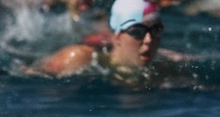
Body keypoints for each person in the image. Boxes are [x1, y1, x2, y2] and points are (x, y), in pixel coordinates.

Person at [38, 0, 168, 77]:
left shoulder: (165, 66)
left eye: (156, 30)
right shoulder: (79, 58)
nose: (149, 40)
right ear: (117, 36)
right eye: (137, 32)